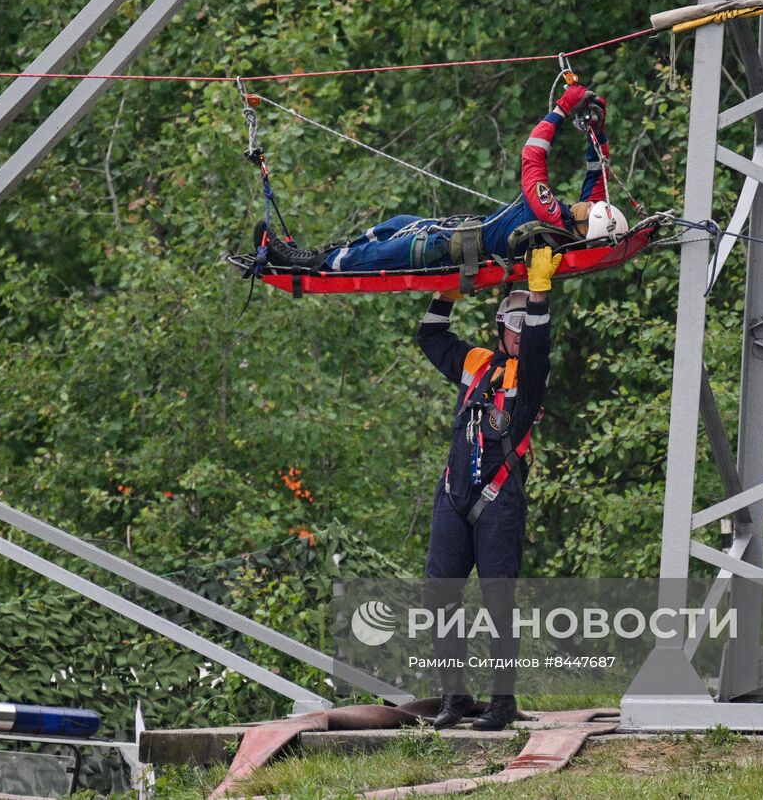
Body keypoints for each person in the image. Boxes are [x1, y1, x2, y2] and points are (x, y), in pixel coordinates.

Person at [415, 245, 560, 732]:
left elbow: (538, 348)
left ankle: (501, 704)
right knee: (441, 594)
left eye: (526, 327)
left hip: (500, 497)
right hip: (454, 494)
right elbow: (431, 337)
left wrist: (538, 296)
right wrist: (449, 292)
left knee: (498, 600)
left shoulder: (533, 375)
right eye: (513, 325)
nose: (520, 335)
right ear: (500, 327)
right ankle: (455, 696)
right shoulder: (476, 363)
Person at [257, 82, 625, 272]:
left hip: (447, 252)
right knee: (396, 224)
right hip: (458, 233)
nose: (582, 205)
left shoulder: (551, 219)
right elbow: (597, 172)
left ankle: (303, 264)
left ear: (580, 229)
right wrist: (597, 128)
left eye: (583, 211)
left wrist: (561, 108)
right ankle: (324, 252)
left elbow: (532, 156)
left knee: (377, 255)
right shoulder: (576, 226)